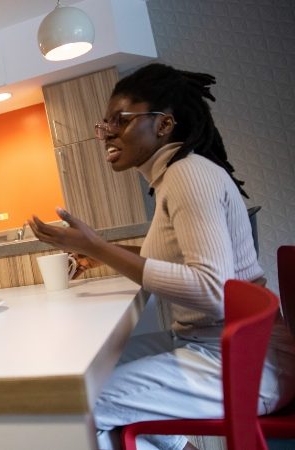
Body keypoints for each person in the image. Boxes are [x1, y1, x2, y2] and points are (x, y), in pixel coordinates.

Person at [29, 63, 295, 450]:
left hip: (248, 363)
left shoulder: (188, 175)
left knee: (81, 406)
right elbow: (181, 264)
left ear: (164, 125)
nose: (106, 134)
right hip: (214, 345)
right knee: (88, 370)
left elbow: (212, 290)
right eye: (104, 124)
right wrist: (105, 254)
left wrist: (97, 247)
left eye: (119, 121)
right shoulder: (175, 176)